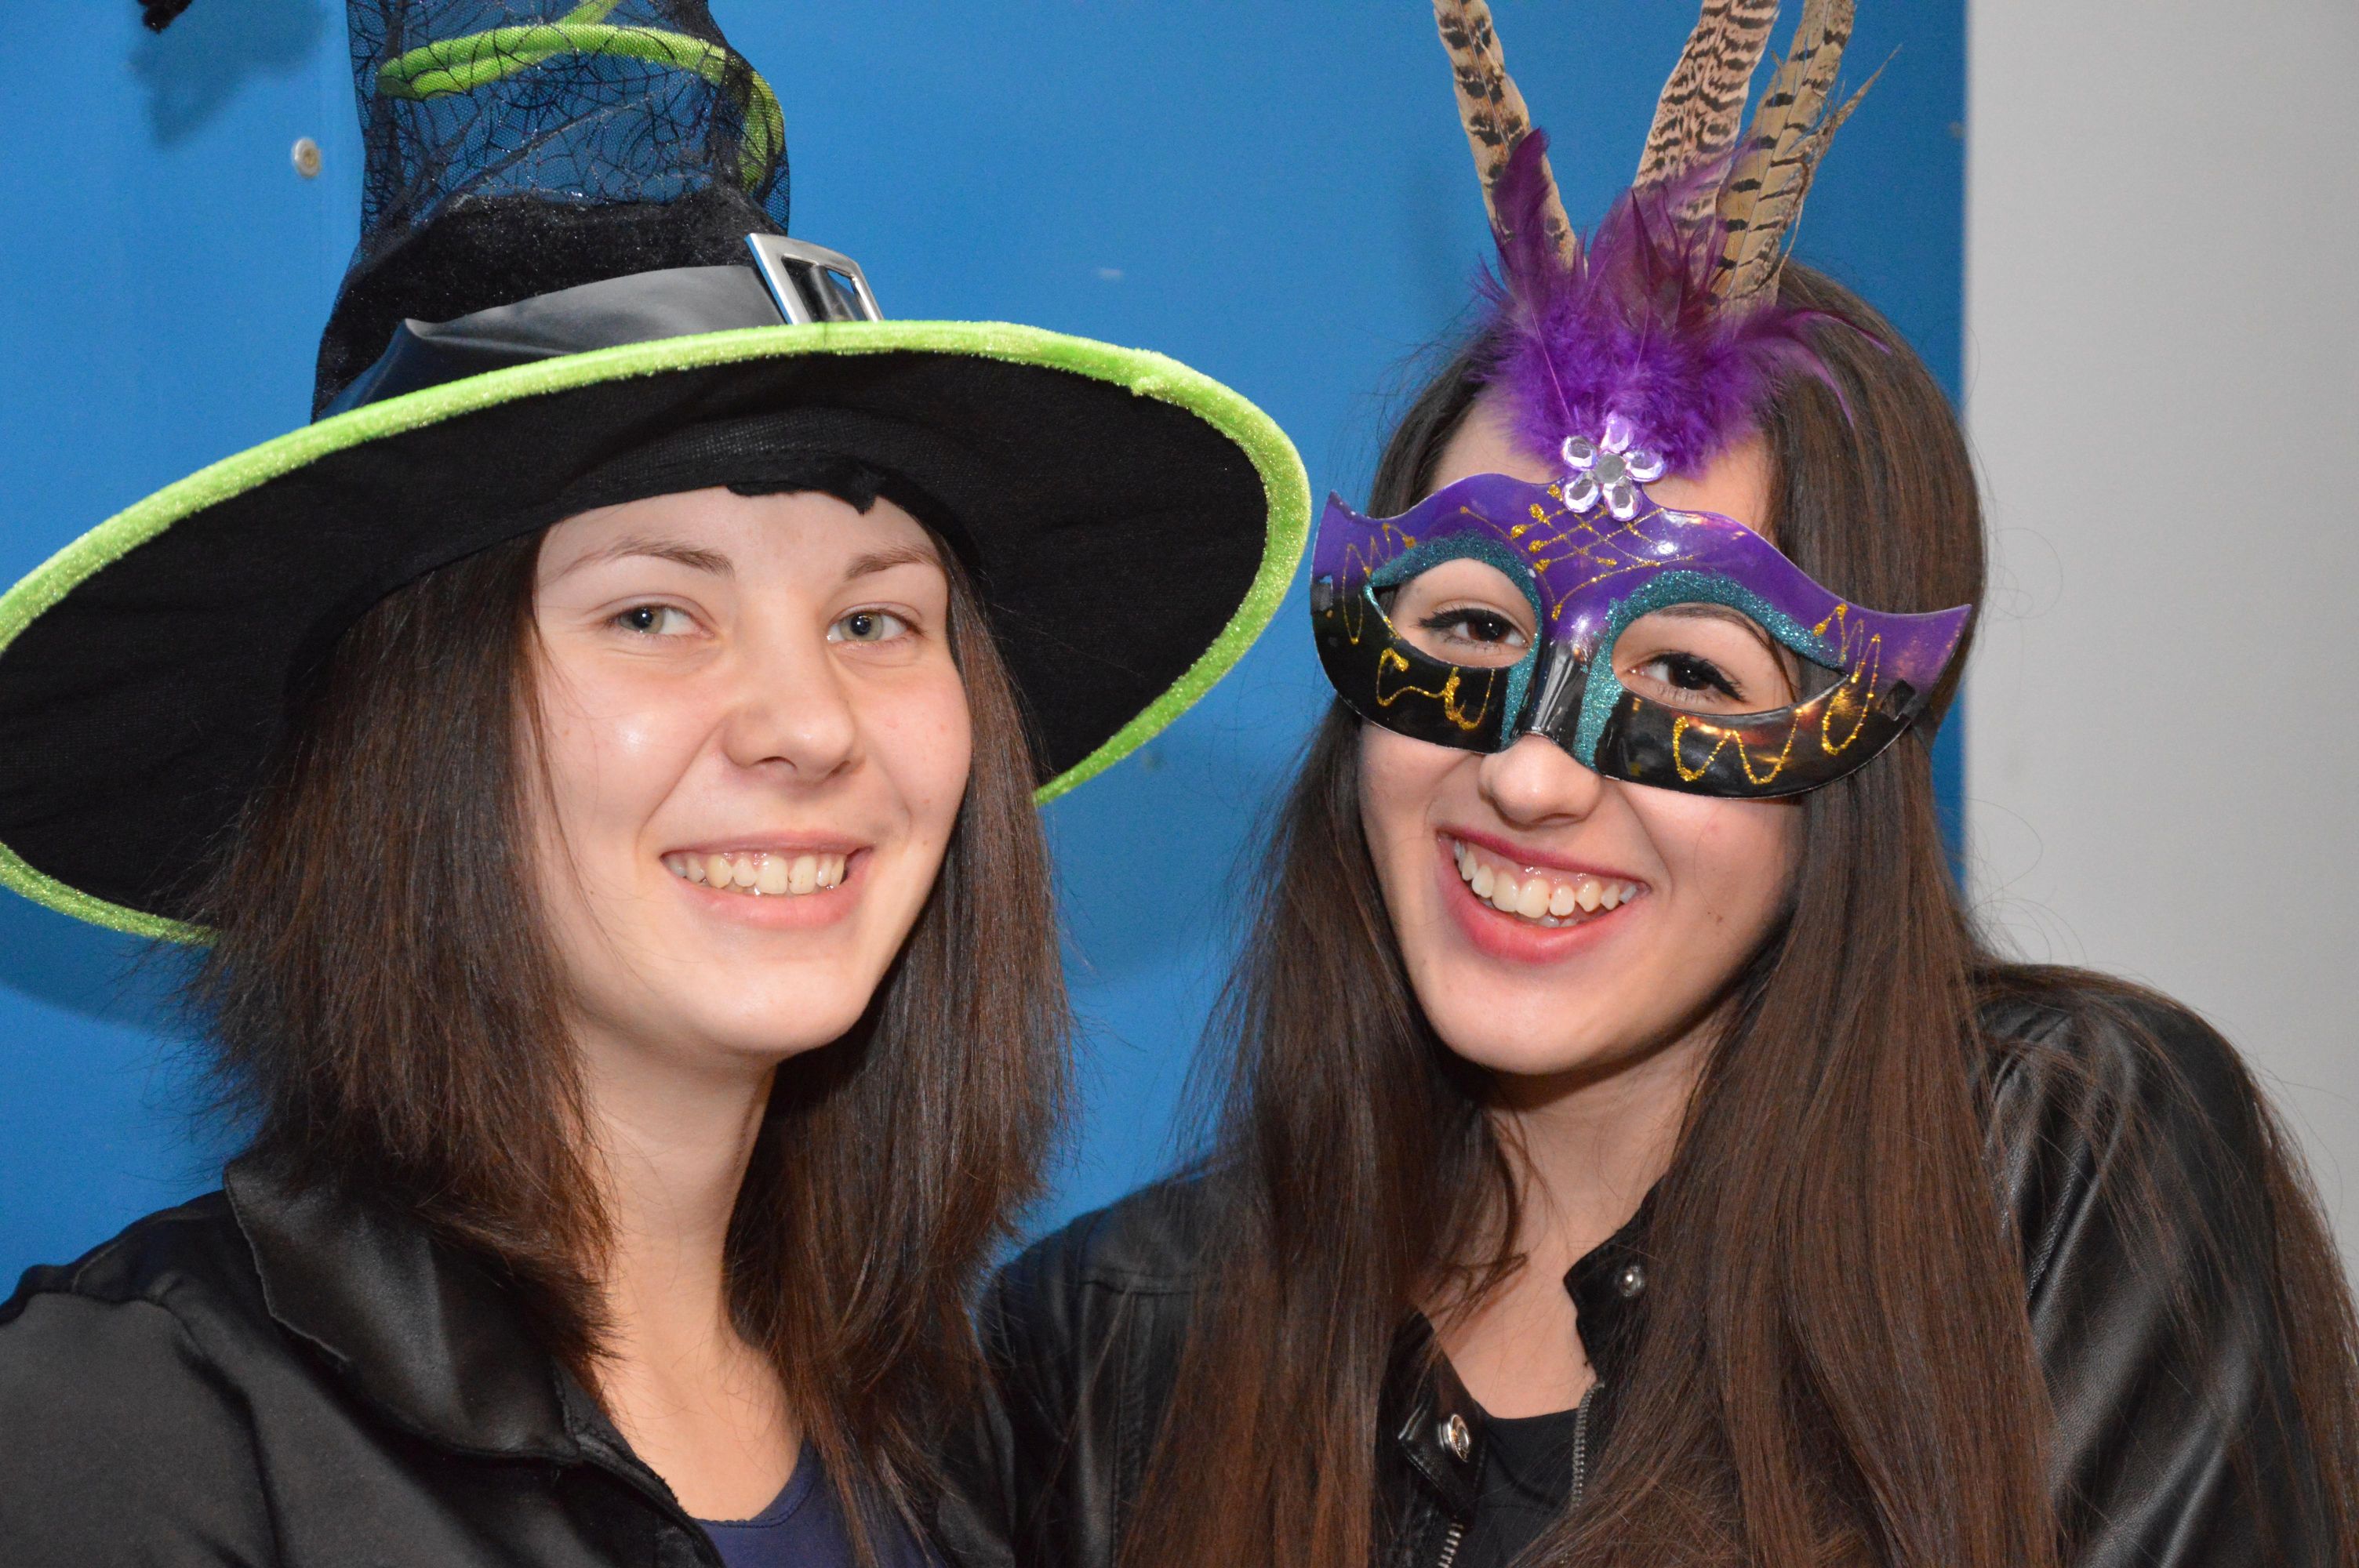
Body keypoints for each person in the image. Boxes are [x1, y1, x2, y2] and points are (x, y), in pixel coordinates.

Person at [956, 3, 2359, 1566]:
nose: (1531, 774)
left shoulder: (2051, 1174)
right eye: (1470, 630)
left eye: (1688, 675)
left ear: (1852, 755)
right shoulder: (1111, 1349)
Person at [0, 3, 1307, 1566]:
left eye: (875, 620)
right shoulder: (125, 1445)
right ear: (410, 728)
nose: (807, 726)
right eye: (652, 613)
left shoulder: (966, 1452)